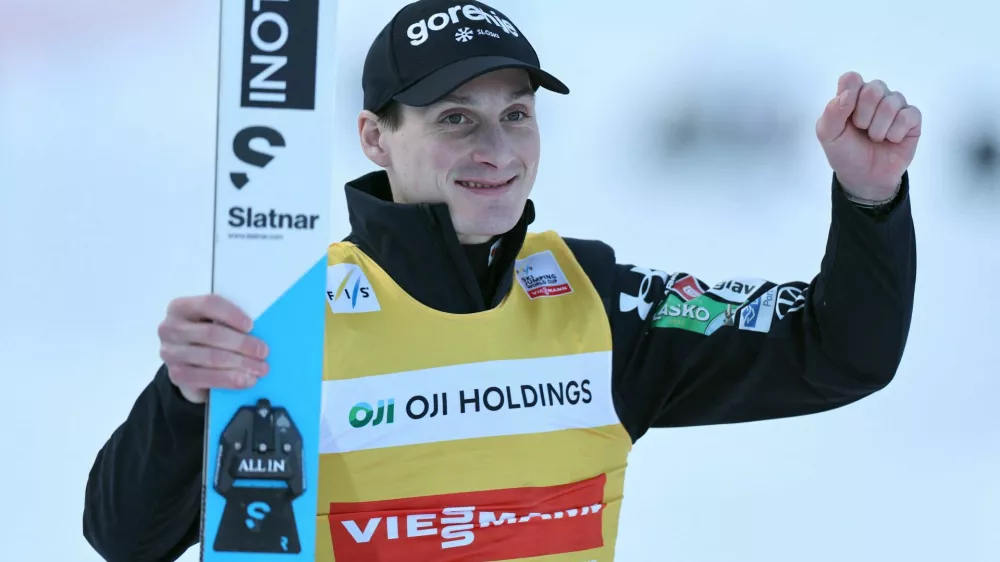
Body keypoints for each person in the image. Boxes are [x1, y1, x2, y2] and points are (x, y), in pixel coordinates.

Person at [82, 0, 920, 560]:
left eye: (516, 113)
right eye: (457, 119)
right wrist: (185, 395)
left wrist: (870, 198)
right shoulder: (293, 323)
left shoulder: (598, 300)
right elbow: (128, 539)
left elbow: (837, 352)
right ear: (375, 137)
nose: (498, 150)